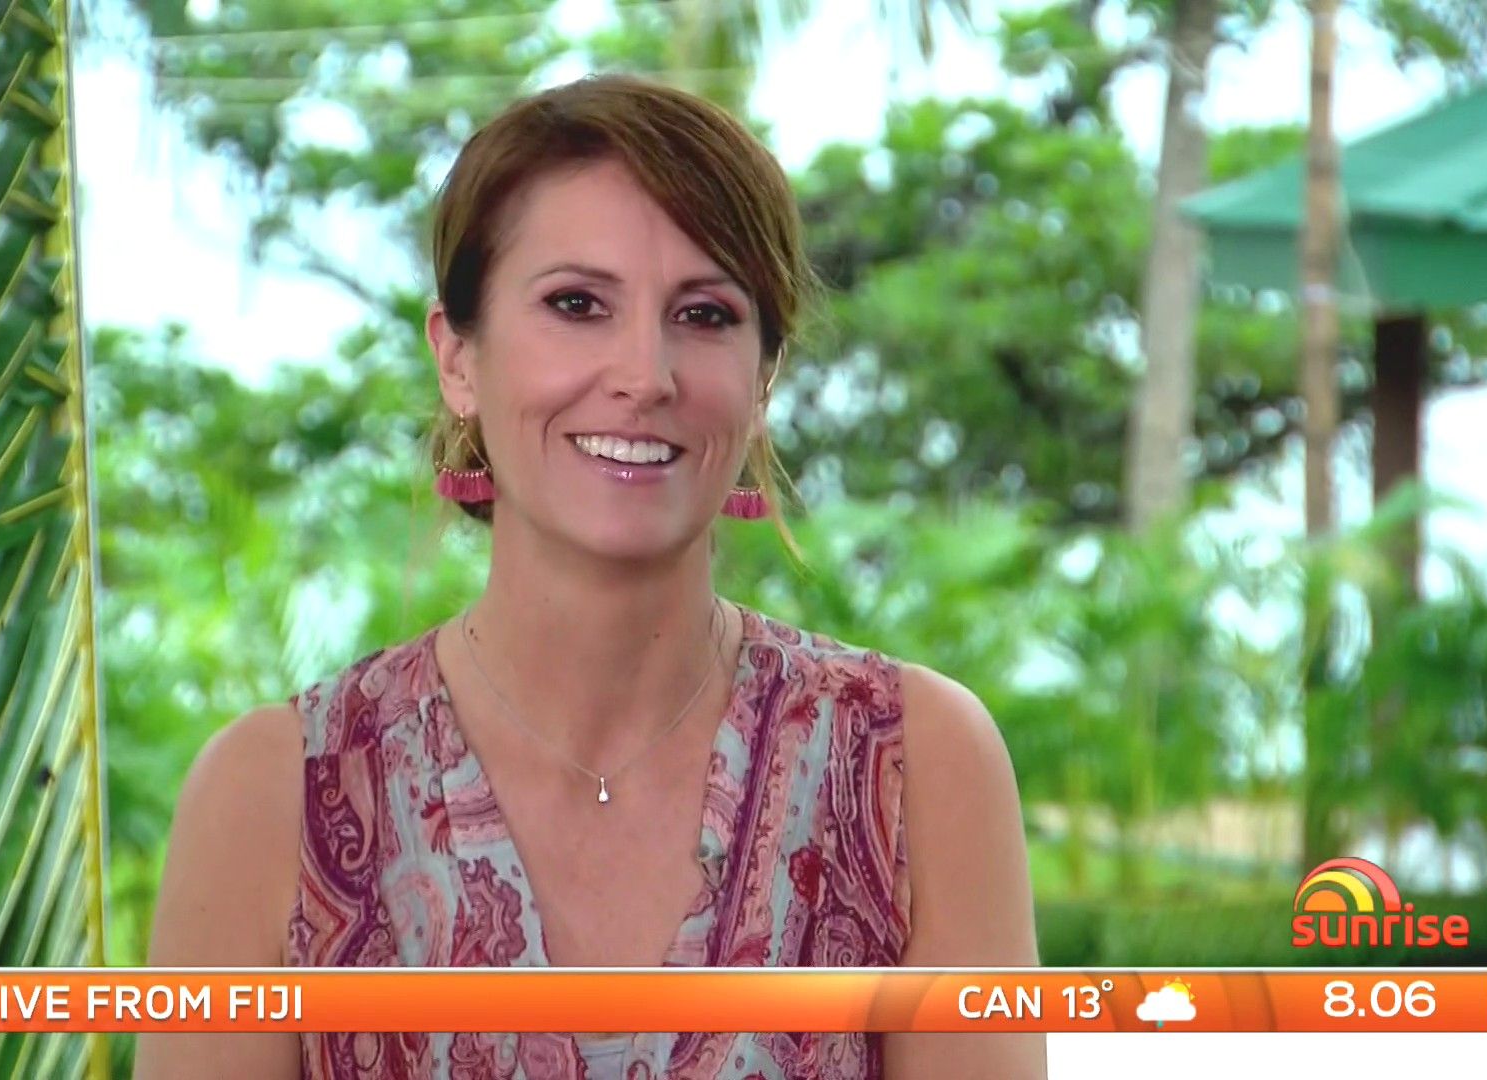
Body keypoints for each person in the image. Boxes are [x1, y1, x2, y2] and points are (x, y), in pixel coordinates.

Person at [137, 74, 1044, 1079]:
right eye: (576, 304)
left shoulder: (911, 765)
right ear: (459, 359)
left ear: (763, 380)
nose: (645, 375)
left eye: (704, 314)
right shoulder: (276, 795)